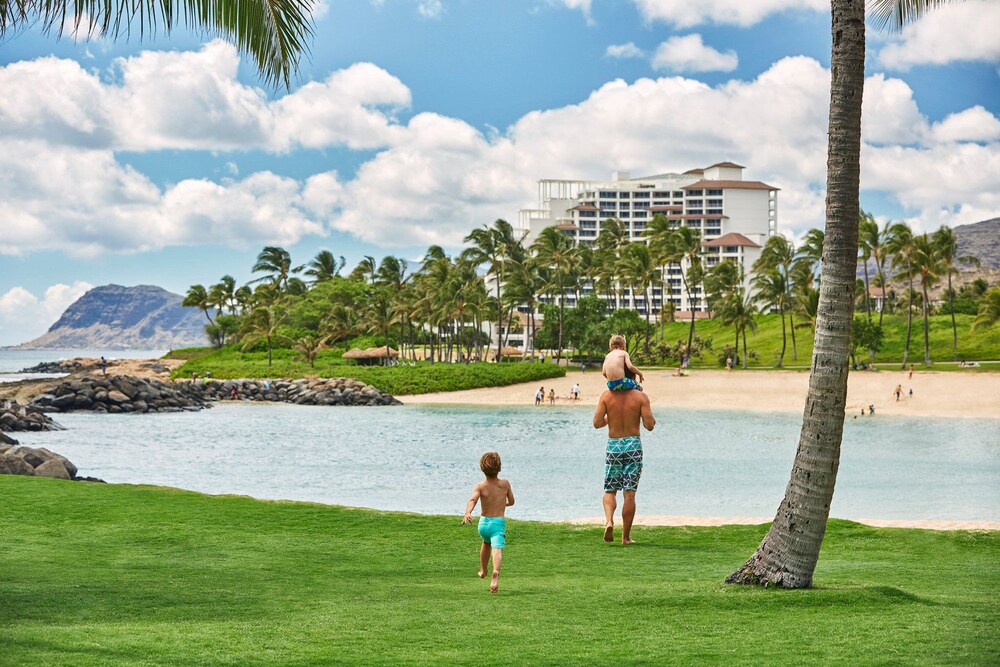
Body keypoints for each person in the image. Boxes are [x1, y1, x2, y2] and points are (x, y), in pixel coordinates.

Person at [592, 382, 656, 545]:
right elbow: (649, 425)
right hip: (633, 446)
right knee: (629, 493)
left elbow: (597, 423)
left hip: (613, 445)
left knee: (610, 489)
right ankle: (625, 538)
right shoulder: (640, 397)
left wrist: (610, 418)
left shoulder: (606, 396)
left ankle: (609, 522)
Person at [461, 451, 515, 593]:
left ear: (482, 468)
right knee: (497, 548)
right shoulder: (505, 484)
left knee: (486, 543)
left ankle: (483, 570)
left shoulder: (480, 486)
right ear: (499, 467)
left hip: (483, 524)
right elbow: (512, 501)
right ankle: (495, 572)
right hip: (498, 523)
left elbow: (473, 500)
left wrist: (468, 513)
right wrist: (503, 504)